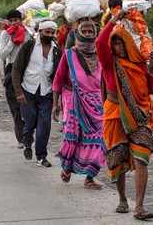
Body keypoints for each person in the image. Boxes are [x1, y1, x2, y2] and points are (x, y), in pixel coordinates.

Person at [96, 4, 153, 221]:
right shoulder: (108, 63)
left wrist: (151, 70)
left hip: (139, 116)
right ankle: (122, 198)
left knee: (142, 157)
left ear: (128, 43)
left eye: (121, 42)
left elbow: (150, 89)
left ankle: (139, 206)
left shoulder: (138, 64)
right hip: (114, 115)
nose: (118, 47)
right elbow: (99, 42)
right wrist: (114, 20)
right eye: (114, 43)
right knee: (118, 160)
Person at [52, 20, 105, 189]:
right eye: (86, 31)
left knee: (99, 139)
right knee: (73, 137)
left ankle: (89, 177)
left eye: (91, 31)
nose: (88, 34)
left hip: (96, 103)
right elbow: (58, 79)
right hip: (72, 100)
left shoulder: (101, 55)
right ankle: (67, 167)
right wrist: (56, 104)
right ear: (79, 33)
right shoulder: (69, 54)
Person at [12, 20, 61, 168]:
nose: (50, 35)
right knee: (30, 122)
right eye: (47, 32)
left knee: (44, 125)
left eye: (52, 32)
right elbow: (16, 69)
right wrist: (19, 92)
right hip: (28, 91)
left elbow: (58, 75)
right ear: (40, 31)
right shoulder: (29, 46)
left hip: (46, 93)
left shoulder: (56, 50)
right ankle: (27, 142)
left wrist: (57, 99)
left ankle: (41, 156)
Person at [0, 9, 30, 149]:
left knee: (28, 104)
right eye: (11, 21)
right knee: (15, 107)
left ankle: (29, 133)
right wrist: (12, 41)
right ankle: (21, 137)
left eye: (16, 20)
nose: (14, 23)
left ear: (20, 20)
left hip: (27, 71)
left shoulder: (28, 34)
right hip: (11, 70)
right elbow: (3, 55)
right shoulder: (5, 34)